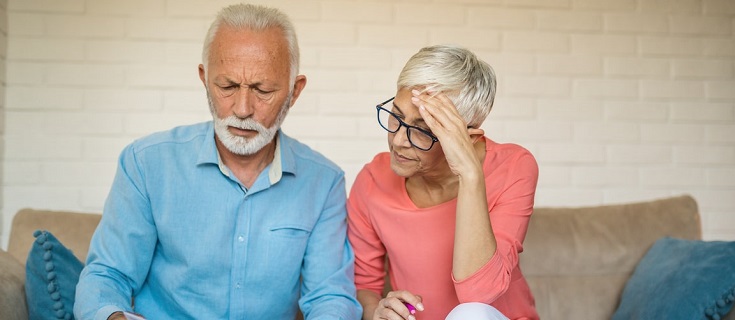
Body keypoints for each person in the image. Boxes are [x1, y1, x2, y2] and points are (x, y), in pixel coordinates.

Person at [74, 4, 361, 320]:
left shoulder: (324, 182)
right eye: (226, 87)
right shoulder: (145, 164)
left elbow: (330, 297)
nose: (241, 108)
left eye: (262, 90)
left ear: (294, 92)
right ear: (204, 78)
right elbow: (107, 277)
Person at [346, 45, 540, 320]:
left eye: (423, 130)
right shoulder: (372, 180)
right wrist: (375, 311)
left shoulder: (514, 166)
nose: (399, 140)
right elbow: (364, 284)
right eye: (397, 117)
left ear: (467, 137)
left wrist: (470, 175)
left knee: (470, 314)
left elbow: (479, 295)